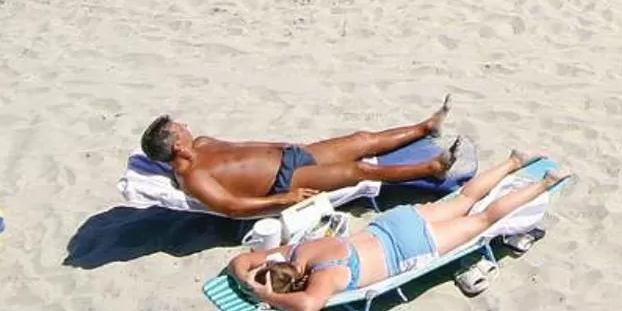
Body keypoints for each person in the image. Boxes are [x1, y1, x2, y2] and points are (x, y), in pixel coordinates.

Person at [225, 151, 566, 311]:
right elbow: (241, 260)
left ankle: (544, 184)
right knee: (466, 198)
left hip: (410, 246)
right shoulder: (295, 253)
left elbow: (306, 306)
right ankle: (511, 162)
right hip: (394, 223)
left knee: (484, 220)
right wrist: (251, 279)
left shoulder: (322, 281)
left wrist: (265, 296)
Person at [141, 101, 466, 220]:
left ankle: (426, 127)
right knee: (359, 170)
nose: (184, 126)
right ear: (177, 148)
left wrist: (286, 147)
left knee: (361, 139)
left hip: (290, 154)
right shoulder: (194, 177)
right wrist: (286, 198)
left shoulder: (202, 143)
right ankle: (432, 170)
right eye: (178, 129)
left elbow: (247, 147)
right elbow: (232, 207)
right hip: (282, 183)